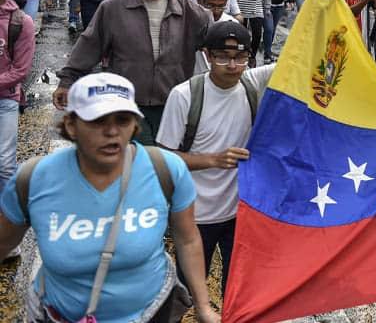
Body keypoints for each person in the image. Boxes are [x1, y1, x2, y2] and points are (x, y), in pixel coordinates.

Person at [0, 72, 219, 322]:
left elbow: (188, 239)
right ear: (71, 125)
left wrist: (203, 307)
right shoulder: (33, 179)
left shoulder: (166, 169)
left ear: (135, 125)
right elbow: (3, 244)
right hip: (59, 314)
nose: (112, 132)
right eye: (97, 121)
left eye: (123, 120)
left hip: (151, 313)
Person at [156, 21, 274, 298]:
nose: (232, 65)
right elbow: (163, 159)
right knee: (189, 291)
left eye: (241, 58)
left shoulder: (251, 83)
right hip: (195, 216)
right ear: (207, 55)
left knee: (236, 290)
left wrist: (325, 4)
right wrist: (213, 160)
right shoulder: (184, 96)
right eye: (223, 57)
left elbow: (302, 54)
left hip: (240, 214)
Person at [54, 0, 213, 146]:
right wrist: (67, 81)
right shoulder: (113, 8)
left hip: (173, 105)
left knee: (168, 166)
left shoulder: (189, 10)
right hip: (127, 105)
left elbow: (217, 41)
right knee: (138, 164)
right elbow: (89, 45)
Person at [0, 0, 34, 203]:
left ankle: (8, 222)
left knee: (4, 164)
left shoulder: (20, 21)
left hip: (6, 101)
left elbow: (21, 70)